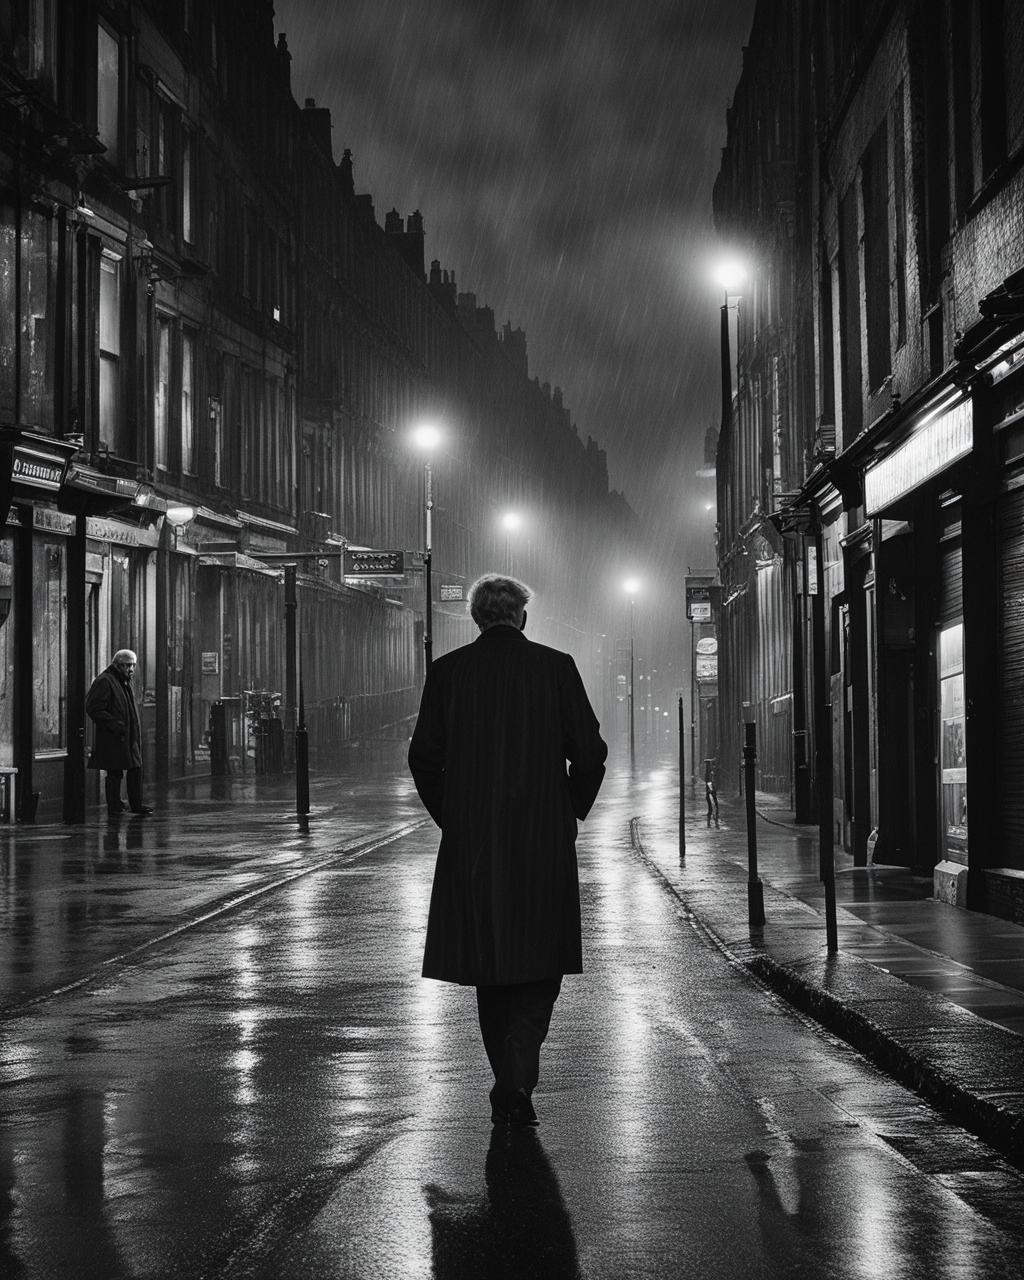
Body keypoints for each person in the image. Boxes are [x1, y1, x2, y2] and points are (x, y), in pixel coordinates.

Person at [408, 574, 607, 1127]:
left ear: (477, 618)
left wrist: (454, 815)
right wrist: (568, 808)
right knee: (540, 958)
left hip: (474, 841)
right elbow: (589, 753)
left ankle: (508, 1075)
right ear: (522, 616)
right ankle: (519, 1072)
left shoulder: (449, 673)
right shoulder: (555, 667)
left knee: (488, 963)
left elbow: (424, 757)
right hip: (542, 839)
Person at [86, 649, 153, 818]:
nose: (131, 669)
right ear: (117, 665)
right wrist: (115, 725)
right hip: (115, 737)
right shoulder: (105, 681)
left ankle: (134, 804)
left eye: (133, 665)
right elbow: (94, 708)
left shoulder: (123, 681)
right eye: (127, 665)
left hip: (127, 736)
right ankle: (115, 805)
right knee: (115, 772)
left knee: (135, 769)